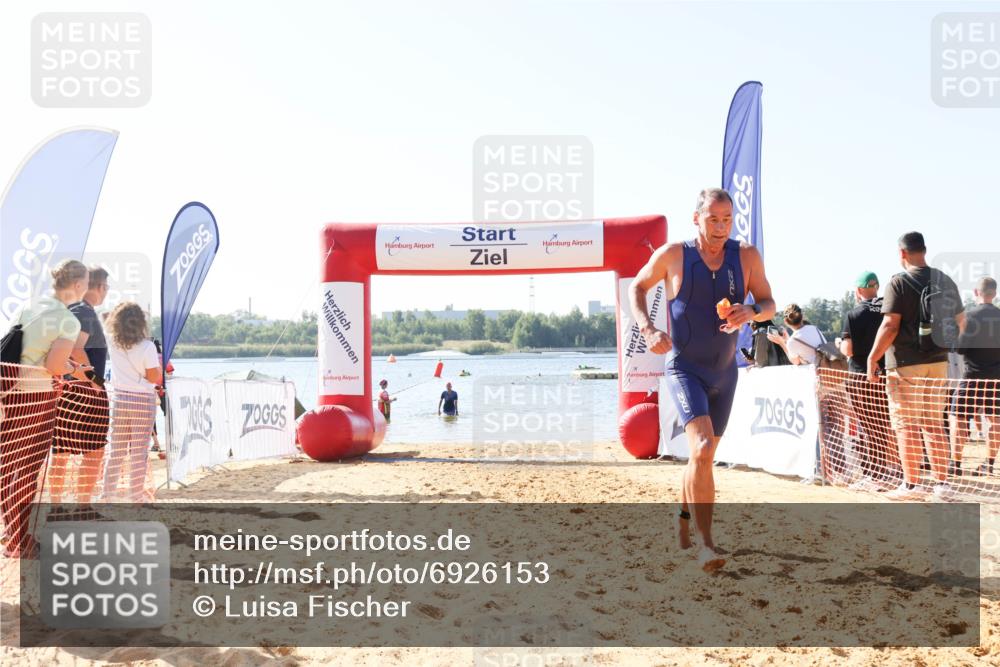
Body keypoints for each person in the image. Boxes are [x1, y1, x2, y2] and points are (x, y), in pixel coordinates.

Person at [629, 187, 776, 572]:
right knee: (704, 448)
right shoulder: (675, 255)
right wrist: (648, 329)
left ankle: (681, 521)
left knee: (703, 456)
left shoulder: (745, 256)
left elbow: (768, 302)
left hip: (725, 373)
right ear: (696, 219)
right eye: (713, 219)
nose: (721, 227)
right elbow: (637, 287)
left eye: (727, 220)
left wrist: (752, 310)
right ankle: (706, 546)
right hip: (684, 367)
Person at [1, 259, 90, 557]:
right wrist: (72, 368)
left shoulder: (31, 306)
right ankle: (21, 541)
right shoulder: (68, 320)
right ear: (77, 285)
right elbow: (52, 366)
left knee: (7, 466)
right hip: (36, 397)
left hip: (9, 391)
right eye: (87, 283)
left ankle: (10, 533)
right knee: (26, 471)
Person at [867, 232, 965, 500]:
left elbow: (889, 326)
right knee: (934, 423)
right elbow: (961, 322)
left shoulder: (898, 283)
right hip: (938, 362)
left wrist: (873, 357)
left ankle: (912, 484)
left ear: (902, 253)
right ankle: (942, 485)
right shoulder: (944, 280)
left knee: (906, 424)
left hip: (905, 364)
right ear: (924, 250)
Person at [49, 266, 112, 507]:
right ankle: (83, 506)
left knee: (62, 451)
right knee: (94, 451)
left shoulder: (70, 310)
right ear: (98, 287)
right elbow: (75, 349)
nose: (106, 292)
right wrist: (95, 382)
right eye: (105, 287)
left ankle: (56, 507)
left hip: (66, 389)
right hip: (84, 390)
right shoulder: (85, 312)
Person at [839, 271, 901, 490]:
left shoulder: (853, 314)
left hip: (861, 375)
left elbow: (848, 349)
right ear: (876, 287)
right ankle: (895, 470)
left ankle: (875, 475)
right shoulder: (889, 310)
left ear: (858, 291)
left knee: (868, 427)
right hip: (888, 372)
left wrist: (839, 345)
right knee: (888, 425)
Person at [102, 303, 161, 501]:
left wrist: (115, 315)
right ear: (140, 323)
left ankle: (107, 494)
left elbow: (104, 315)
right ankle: (135, 497)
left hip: (119, 398)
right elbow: (153, 377)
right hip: (142, 399)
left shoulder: (113, 342)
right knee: (138, 452)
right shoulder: (147, 346)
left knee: (116, 450)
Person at [951, 277, 1000, 476]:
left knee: (958, 418)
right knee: (996, 420)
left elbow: (960, 349)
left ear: (976, 292)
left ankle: (956, 465)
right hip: (997, 378)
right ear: (994, 293)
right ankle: (989, 464)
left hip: (972, 377)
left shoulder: (968, 318)